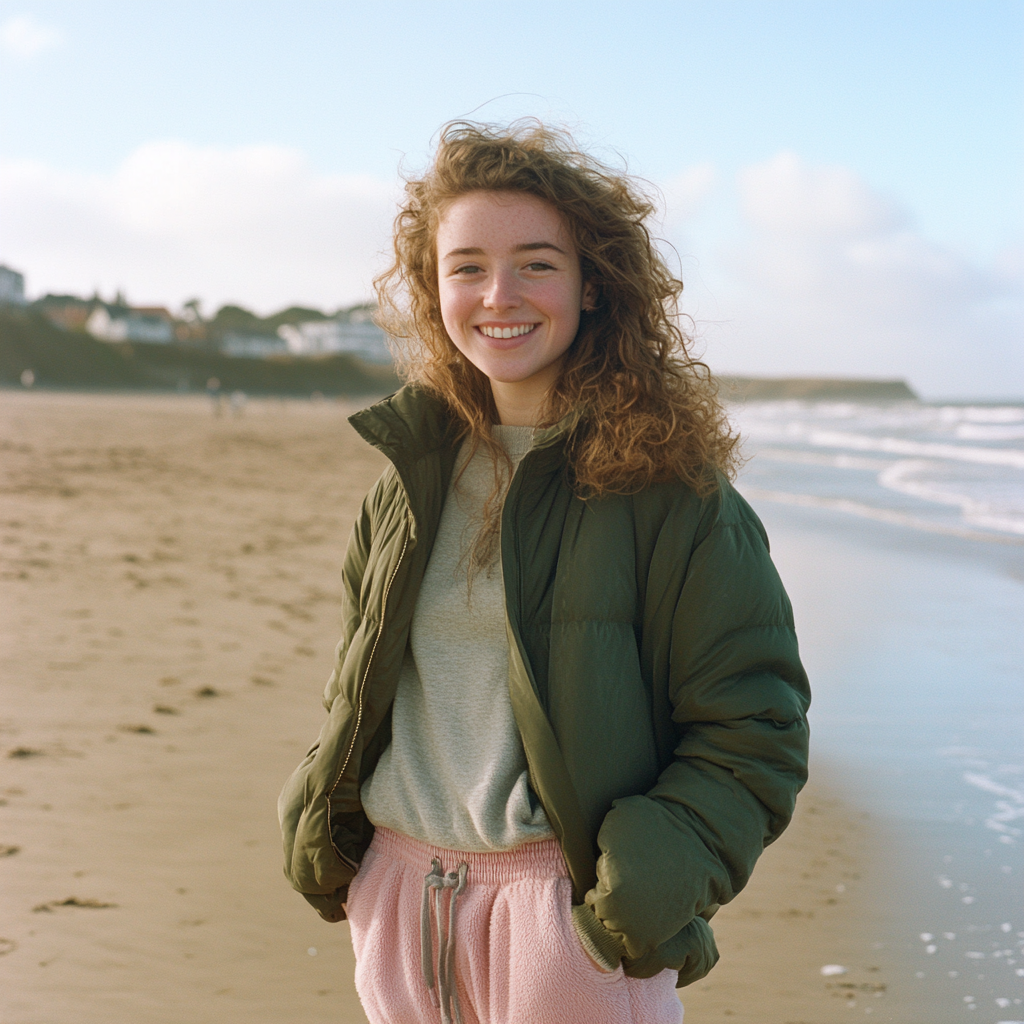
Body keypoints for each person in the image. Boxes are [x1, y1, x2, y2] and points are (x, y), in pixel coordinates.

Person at [278, 121, 810, 1024]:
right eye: (467, 266)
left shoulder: (673, 496)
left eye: (536, 263)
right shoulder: (407, 478)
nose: (499, 294)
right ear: (431, 286)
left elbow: (754, 729)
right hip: (400, 907)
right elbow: (357, 683)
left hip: (567, 930)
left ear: (592, 283)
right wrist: (330, 835)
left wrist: (622, 910)